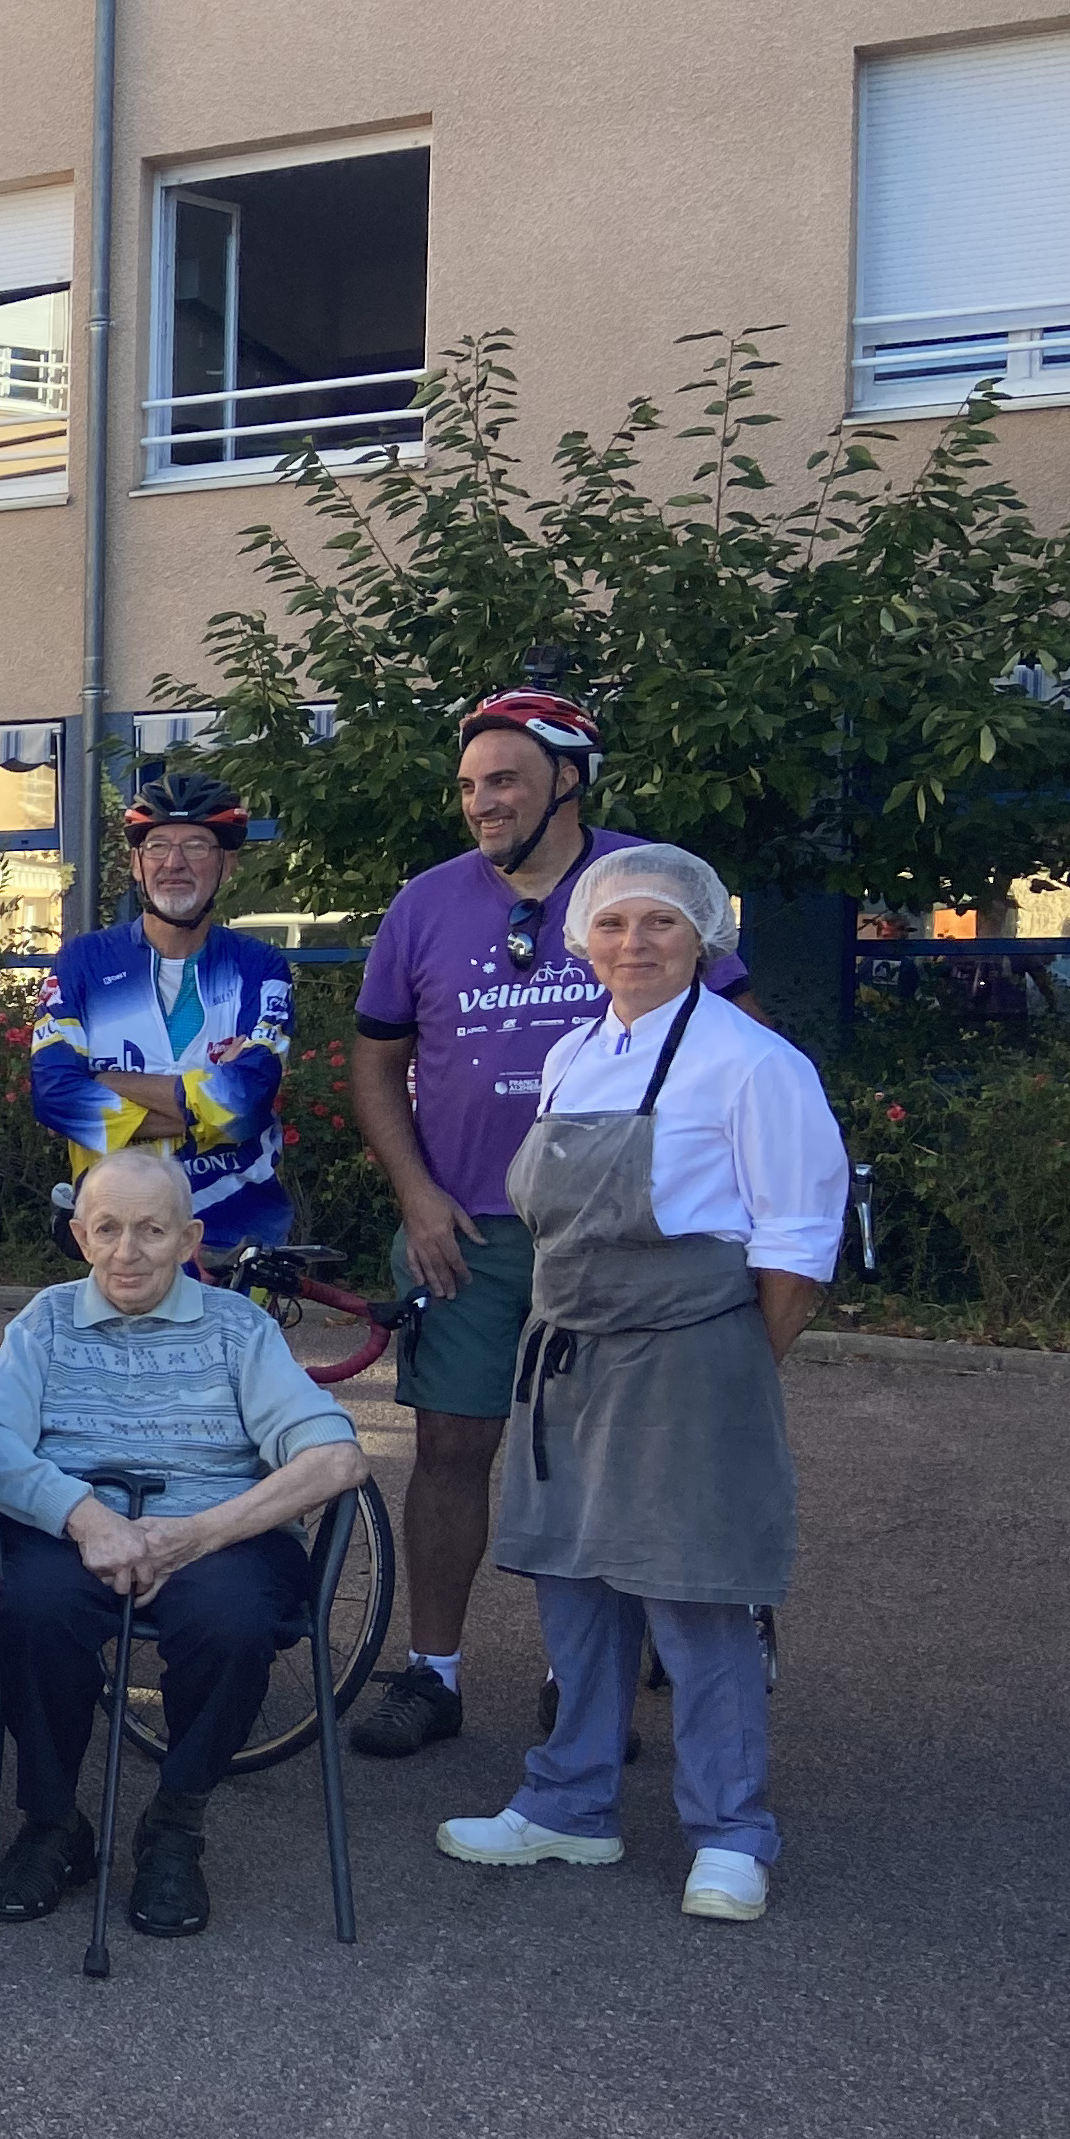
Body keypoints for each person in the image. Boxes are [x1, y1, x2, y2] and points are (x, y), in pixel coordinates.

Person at [436, 845, 844, 1926]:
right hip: (571, 1350)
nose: (634, 945)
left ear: (703, 938)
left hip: (694, 1356)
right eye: (613, 927)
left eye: (659, 925)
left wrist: (735, 1369)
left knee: (698, 1595)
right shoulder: (575, 1053)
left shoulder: (753, 1063)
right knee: (575, 1582)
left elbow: (799, 1243)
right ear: (584, 942)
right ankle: (571, 1803)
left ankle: (731, 1833)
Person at [346, 691, 751, 1759]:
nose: (482, 802)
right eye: (472, 785)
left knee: (609, 1458)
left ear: (569, 780)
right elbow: (376, 1060)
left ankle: (589, 1681)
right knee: (449, 1444)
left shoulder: (645, 886)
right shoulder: (424, 904)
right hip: (466, 1228)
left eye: (506, 781)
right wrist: (415, 1194)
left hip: (624, 1235)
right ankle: (433, 1673)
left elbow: (736, 1039)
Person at [0, 1150, 370, 1938]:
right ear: (80, 1236)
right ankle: (52, 1825)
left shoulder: (240, 1329)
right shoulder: (43, 1321)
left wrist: (193, 1536)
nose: (127, 1251)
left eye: (151, 1230)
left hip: (217, 1534)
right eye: (107, 1229)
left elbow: (336, 1457)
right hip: (79, 1532)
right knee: (34, 1612)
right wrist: (86, 1517)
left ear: (190, 1238)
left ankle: (175, 1824)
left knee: (235, 1624)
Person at [27, 775, 295, 1251]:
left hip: (236, 1228)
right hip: (118, 1234)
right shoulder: (85, 961)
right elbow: (55, 1096)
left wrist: (106, 1082)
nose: (174, 863)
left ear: (228, 864)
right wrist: (206, 1102)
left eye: (196, 845)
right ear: (135, 863)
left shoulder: (260, 966)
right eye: (156, 846)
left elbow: (246, 1103)